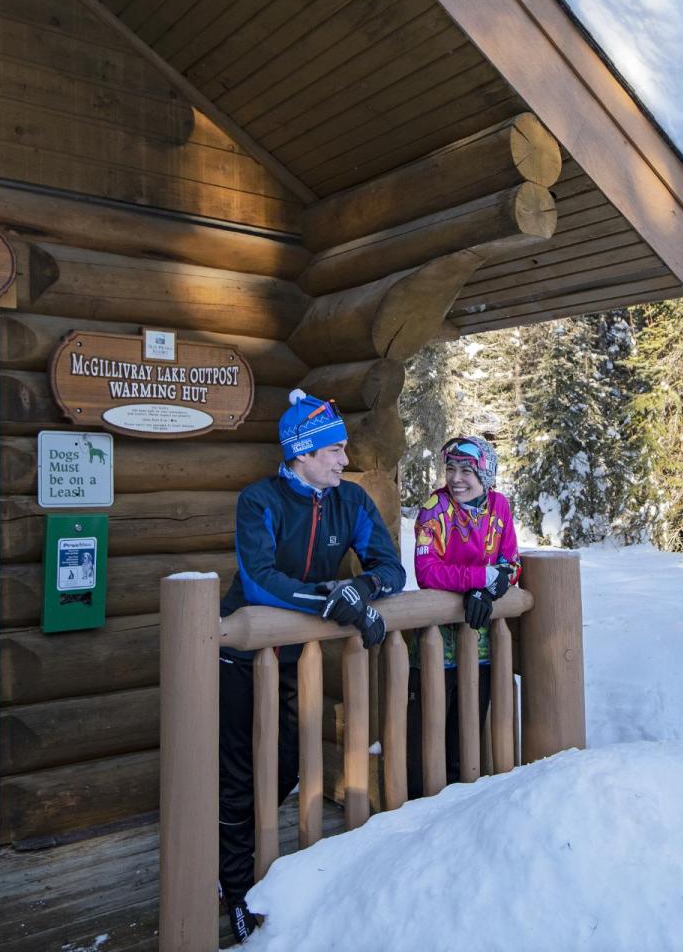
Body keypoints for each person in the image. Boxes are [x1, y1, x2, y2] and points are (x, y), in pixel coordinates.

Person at [217, 389, 404, 943]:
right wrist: (332, 601)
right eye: (334, 451)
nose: (345, 461)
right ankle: (232, 891)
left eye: (343, 450)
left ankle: (253, 864)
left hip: (297, 659)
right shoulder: (259, 500)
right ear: (302, 452)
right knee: (237, 775)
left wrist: (360, 589)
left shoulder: (350, 501)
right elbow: (258, 581)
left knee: (286, 767)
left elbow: (390, 567)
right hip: (242, 656)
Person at [407, 435, 520, 795]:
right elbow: (427, 571)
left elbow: (510, 563)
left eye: (466, 471)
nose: (456, 478)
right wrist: (478, 578)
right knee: (428, 733)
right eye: (451, 469)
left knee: (469, 729)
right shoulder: (434, 510)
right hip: (436, 647)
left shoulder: (499, 507)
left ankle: (462, 809)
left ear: (485, 475)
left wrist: (488, 589)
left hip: (481, 643)